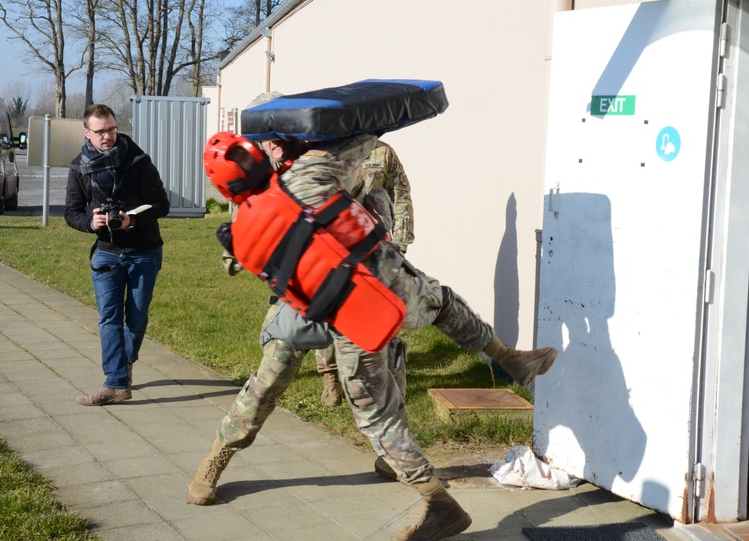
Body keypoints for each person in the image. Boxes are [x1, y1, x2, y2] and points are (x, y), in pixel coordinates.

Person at [190, 127, 557, 541]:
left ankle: (401, 462)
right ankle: (217, 458)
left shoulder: (320, 164)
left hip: (364, 288)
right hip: (304, 305)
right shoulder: (285, 182)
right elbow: (238, 255)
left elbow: (389, 196)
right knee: (268, 384)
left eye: (277, 138)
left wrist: (386, 241)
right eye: (265, 142)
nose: (271, 146)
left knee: (403, 358)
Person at [64, 104, 170, 406]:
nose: (108, 136)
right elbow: (71, 213)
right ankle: (116, 383)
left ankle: (123, 369)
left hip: (144, 251)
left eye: (112, 129)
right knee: (109, 318)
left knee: (136, 319)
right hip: (107, 253)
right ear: (87, 133)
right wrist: (90, 222)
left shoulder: (138, 161)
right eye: (100, 132)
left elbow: (161, 204)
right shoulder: (79, 167)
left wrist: (131, 220)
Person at [316, 139, 414, 408]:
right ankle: (330, 377)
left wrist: (402, 241)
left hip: (376, 245)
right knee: (330, 309)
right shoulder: (328, 149)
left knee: (385, 312)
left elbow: (401, 194)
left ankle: (390, 382)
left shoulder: (383, 152)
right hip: (337, 243)